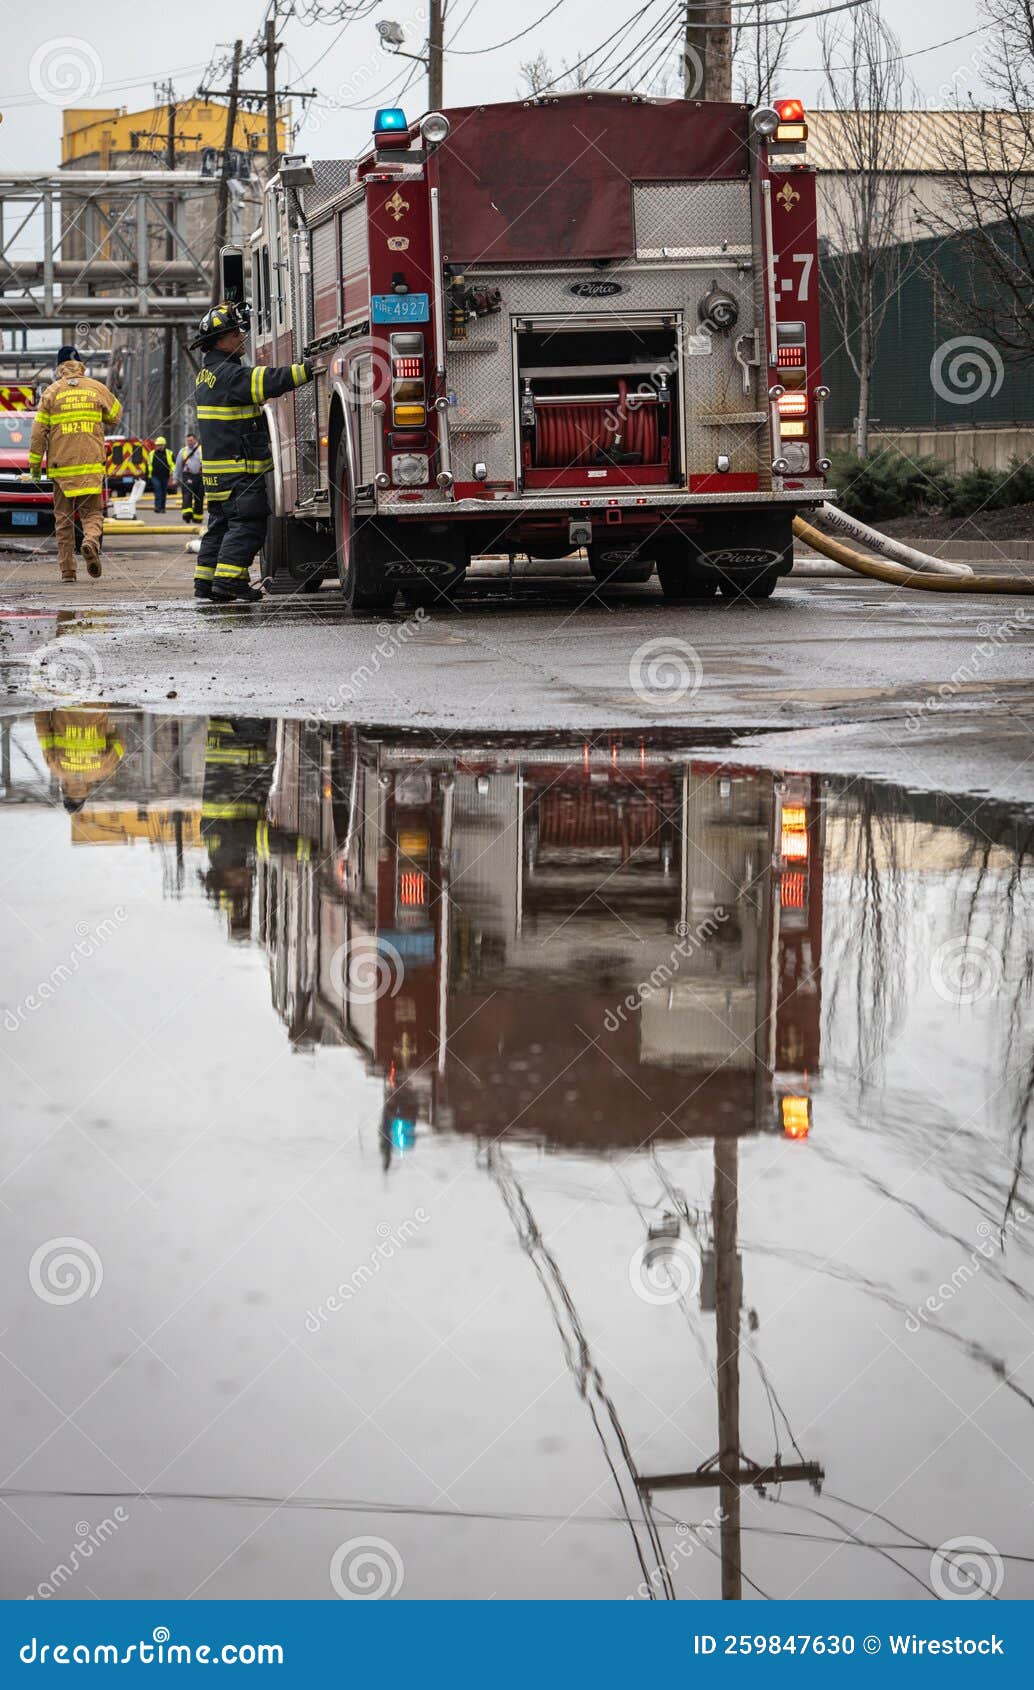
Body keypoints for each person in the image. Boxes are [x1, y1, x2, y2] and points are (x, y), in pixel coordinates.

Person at [190, 301, 311, 602]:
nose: (242, 337)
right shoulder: (230, 375)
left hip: (218, 475)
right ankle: (229, 582)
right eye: (235, 333)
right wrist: (309, 369)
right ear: (220, 340)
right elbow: (270, 381)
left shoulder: (206, 376)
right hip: (238, 470)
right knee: (249, 524)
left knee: (220, 526)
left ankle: (206, 581)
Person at [28, 344, 121, 582]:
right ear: (80, 364)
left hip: (61, 469)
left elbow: (38, 433)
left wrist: (35, 467)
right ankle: (90, 542)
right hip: (90, 466)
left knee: (64, 520)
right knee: (92, 514)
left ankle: (68, 571)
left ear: (59, 367)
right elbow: (115, 416)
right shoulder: (96, 388)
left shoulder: (51, 392)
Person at [177, 432, 204, 524]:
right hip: (187, 475)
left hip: (200, 476)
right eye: (188, 441)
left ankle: (198, 517)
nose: (189, 442)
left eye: (191, 440)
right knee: (187, 495)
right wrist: (176, 477)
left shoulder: (202, 450)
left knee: (199, 497)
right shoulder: (183, 451)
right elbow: (178, 465)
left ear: (195, 440)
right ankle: (187, 515)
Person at [147, 435, 174, 513]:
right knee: (158, 491)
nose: (158, 446)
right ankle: (157, 507)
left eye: (159, 445)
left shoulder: (169, 453)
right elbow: (148, 465)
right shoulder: (152, 454)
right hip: (155, 476)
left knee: (163, 492)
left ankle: (162, 508)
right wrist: (148, 476)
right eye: (157, 445)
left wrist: (172, 474)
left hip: (165, 476)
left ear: (163, 445)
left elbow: (173, 464)